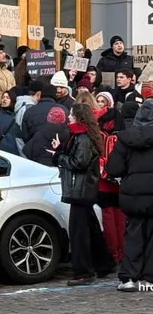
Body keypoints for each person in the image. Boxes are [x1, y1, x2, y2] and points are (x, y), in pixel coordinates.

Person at [50, 104, 115, 285]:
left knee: (79, 233)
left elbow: (79, 163)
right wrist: (60, 151)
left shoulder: (83, 138)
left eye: (71, 114)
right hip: (82, 190)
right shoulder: (78, 136)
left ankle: (84, 272)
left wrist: (58, 157)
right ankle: (104, 264)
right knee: (91, 229)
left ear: (79, 117)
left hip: (81, 190)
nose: (68, 117)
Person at [107, 98, 153, 291]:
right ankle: (150, 278)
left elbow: (113, 168)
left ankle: (128, 278)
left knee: (133, 233)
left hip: (131, 193)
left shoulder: (125, 139)